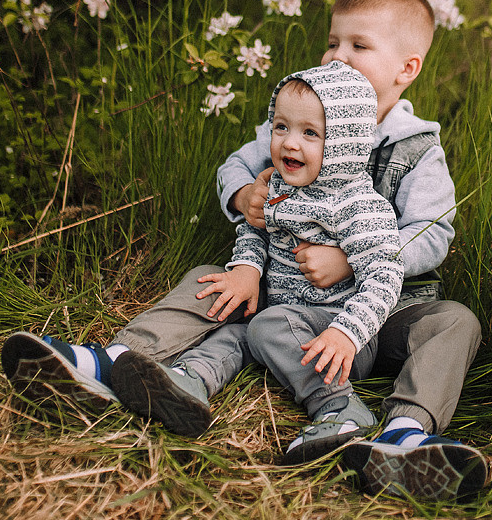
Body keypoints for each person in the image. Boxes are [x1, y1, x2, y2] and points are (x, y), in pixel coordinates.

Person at [2, 0, 488, 500]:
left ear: (406, 68)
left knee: (455, 321)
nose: (337, 56)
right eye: (332, 42)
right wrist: (242, 198)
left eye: (358, 46)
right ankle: (114, 363)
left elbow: (432, 231)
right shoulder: (304, 111)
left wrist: (350, 259)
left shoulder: (414, 147)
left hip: (379, 310)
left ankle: (406, 434)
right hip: (288, 297)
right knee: (210, 282)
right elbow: (238, 164)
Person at [113, 61, 405, 462]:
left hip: (337, 339)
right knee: (239, 332)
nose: (289, 143)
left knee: (264, 326)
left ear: (344, 144)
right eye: (281, 127)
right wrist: (248, 270)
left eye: (310, 134)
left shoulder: (360, 207)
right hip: (276, 316)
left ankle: (341, 408)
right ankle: (188, 383)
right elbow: (255, 229)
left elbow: (385, 275)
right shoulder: (277, 186)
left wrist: (347, 334)